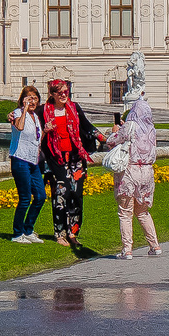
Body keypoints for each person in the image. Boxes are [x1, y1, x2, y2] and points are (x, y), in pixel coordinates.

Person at [39, 79, 102, 249]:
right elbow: (31, 125)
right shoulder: (43, 111)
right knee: (61, 195)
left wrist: (104, 138)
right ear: (52, 94)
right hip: (56, 159)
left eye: (66, 91)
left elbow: (88, 126)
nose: (64, 95)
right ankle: (59, 233)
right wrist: (13, 116)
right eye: (60, 92)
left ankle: (73, 232)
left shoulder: (74, 108)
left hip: (76, 158)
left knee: (76, 195)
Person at [112, 88, 161, 259]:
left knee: (125, 212)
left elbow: (114, 141)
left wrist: (115, 131)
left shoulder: (130, 125)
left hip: (130, 172)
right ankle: (154, 245)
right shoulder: (151, 129)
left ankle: (127, 249)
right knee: (142, 211)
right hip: (147, 172)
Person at [7, 86, 46, 243]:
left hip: (32, 161)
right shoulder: (17, 113)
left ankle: (28, 229)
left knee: (40, 196)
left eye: (35, 98)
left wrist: (45, 132)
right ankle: (17, 234)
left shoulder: (35, 117)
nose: (33, 101)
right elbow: (20, 127)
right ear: (23, 99)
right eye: (29, 98)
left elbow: (36, 137)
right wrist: (23, 110)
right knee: (25, 198)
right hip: (20, 159)